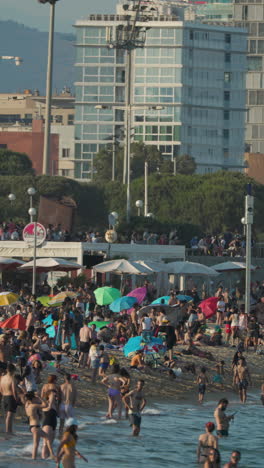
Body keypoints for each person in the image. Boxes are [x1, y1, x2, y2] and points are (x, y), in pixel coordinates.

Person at [24, 391, 55, 460]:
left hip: (32, 426)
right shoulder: (33, 405)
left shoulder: (27, 405)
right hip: (36, 427)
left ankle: (34, 459)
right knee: (43, 440)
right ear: (32, 399)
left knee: (39, 442)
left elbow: (28, 401)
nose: (36, 399)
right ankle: (51, 454)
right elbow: (45, 405)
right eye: (35, 398)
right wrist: (40, 397)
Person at [0, 363, 18, 433]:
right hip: (11, 397)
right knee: (10, 416)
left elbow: (0, 389)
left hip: (4, 397)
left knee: (7, 415)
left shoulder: (2, 378)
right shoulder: (12, 378)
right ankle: (9, 431)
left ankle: (9, 430)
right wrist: (16, 399)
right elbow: (14, 390)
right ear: (13, 370)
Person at [42, 389, 58, 459]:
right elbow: (50, 400)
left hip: (53, 424)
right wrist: (51, 394)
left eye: (56, 395)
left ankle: (48, 459)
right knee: (45, 443)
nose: (55, 397)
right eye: (54, 396)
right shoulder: (47, 404)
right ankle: (43, 458)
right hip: (47, 424)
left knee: (50, 443)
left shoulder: (55, 405)